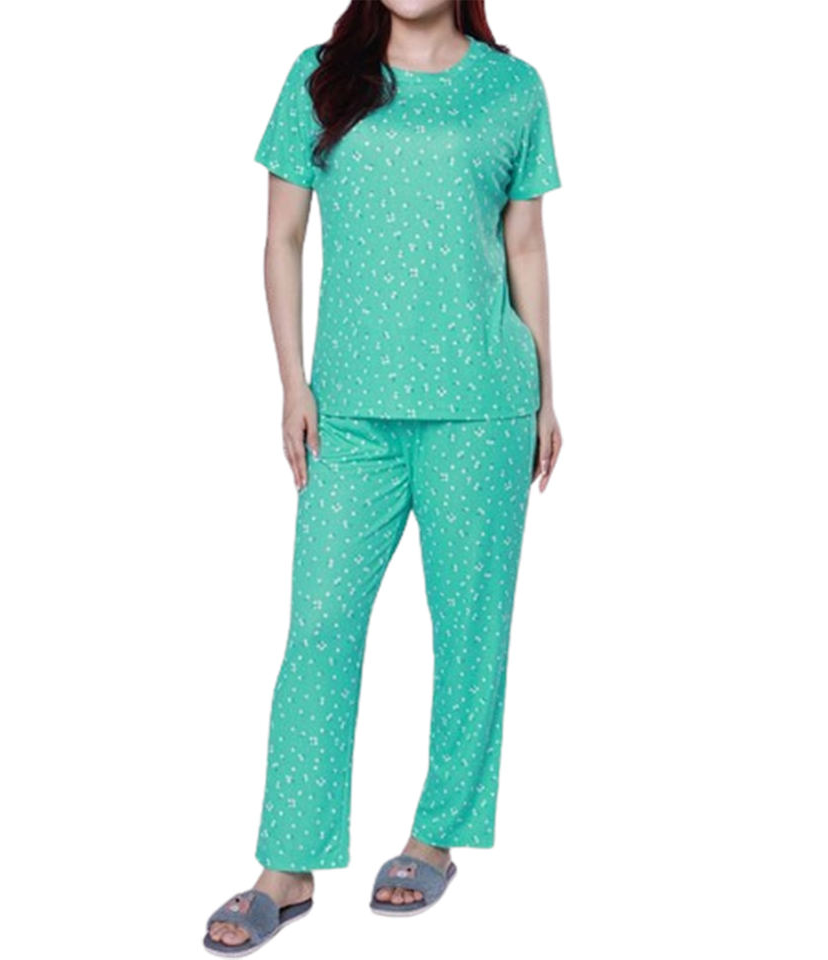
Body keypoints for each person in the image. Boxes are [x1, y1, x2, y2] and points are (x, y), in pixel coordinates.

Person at [204, 0, 563, 953]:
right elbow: (282, 237)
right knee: (319, 628)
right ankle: (287, 865)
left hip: (483, 404)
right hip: (349, 411)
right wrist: (292, 383)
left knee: (471, 629)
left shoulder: (512, 88)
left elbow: (525, 245)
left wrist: (547, 394)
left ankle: (435, 837)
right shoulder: (320, 75)